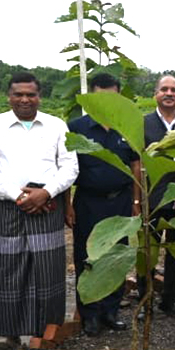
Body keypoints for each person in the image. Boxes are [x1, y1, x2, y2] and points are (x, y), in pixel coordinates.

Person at [0, 72, 78, 344]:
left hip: (48, 205)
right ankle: (10, 336)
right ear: (8, 96)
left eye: (30, 94)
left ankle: (46, 332)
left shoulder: (57, 126)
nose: (24, 99)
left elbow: (69, 166)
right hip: (9, 206)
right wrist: (18, 197)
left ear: (39, 96)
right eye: (18, 94)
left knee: (49, 269)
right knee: (10, 270)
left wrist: (45, 192)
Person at [65, 73, 142, 336]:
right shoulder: (76, 127)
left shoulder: (126, 127)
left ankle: (111, 311)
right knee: (86, 256)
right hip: (87, 201)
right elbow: (66, 168)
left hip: (120, 200)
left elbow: (135, 164)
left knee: (117, 255)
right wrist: (68, 205)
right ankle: (89, 314)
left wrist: (135, 200)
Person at [137, 75, 175, 321]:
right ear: (155, 94)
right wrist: (137, 201)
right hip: (151, 200)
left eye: (174, 90)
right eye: (164, 89)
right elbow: (136, 162)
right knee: (147, 253)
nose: (169, 93)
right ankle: (145, 301)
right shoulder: (143, 123)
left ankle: (170, 300)